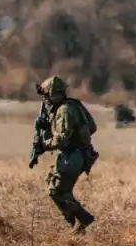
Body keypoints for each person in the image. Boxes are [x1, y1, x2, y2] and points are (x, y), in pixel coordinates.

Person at [31, 76, 98, 232]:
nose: (45, 99)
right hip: (78, 155)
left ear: (54, 94)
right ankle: (78, 224)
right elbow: (92, 127)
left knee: (56, 190)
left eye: (47, 96)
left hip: (71, 156)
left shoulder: (64, 110)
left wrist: (44, 143)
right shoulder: (74, 106)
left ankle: (82, 219)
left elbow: (60, 139)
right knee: (57, 188)